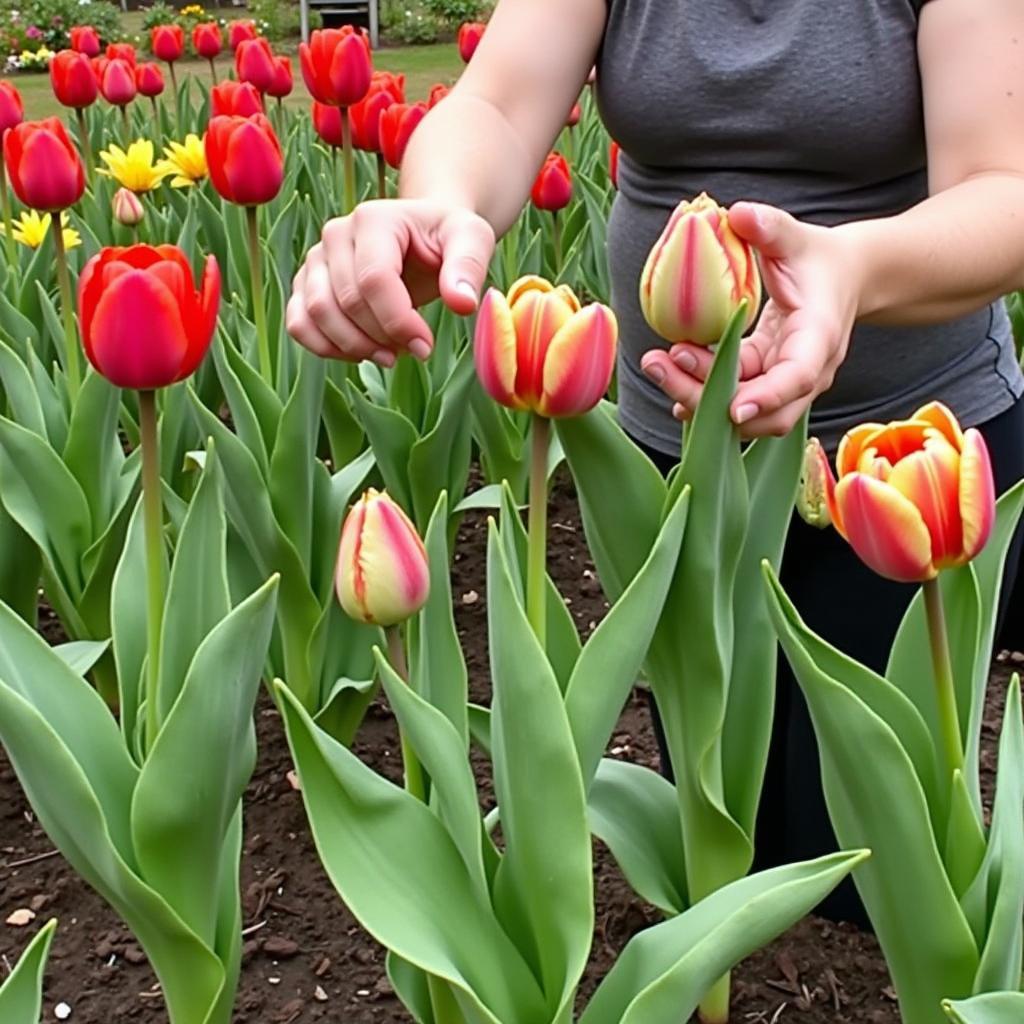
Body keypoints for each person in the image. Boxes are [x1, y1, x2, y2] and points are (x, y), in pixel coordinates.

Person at [286, 0, 1024, 925]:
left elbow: (1004, 186)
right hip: (676, 459)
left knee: (865, 843)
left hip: (903, 460)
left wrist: (850, 272)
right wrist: (439, 208)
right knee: (717, 810)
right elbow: (503, 104)